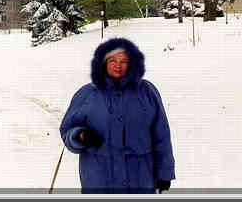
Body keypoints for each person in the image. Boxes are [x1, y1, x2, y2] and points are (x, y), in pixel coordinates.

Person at [59, 37, 175, 194]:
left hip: (140, 179)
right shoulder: (87, 94)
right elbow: (68, 129)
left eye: (124, 61)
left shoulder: (147, 92)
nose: (118, 65)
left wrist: (164, 173)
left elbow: (161, 136)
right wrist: (80, 135)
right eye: (112, 60)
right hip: (99, 179)